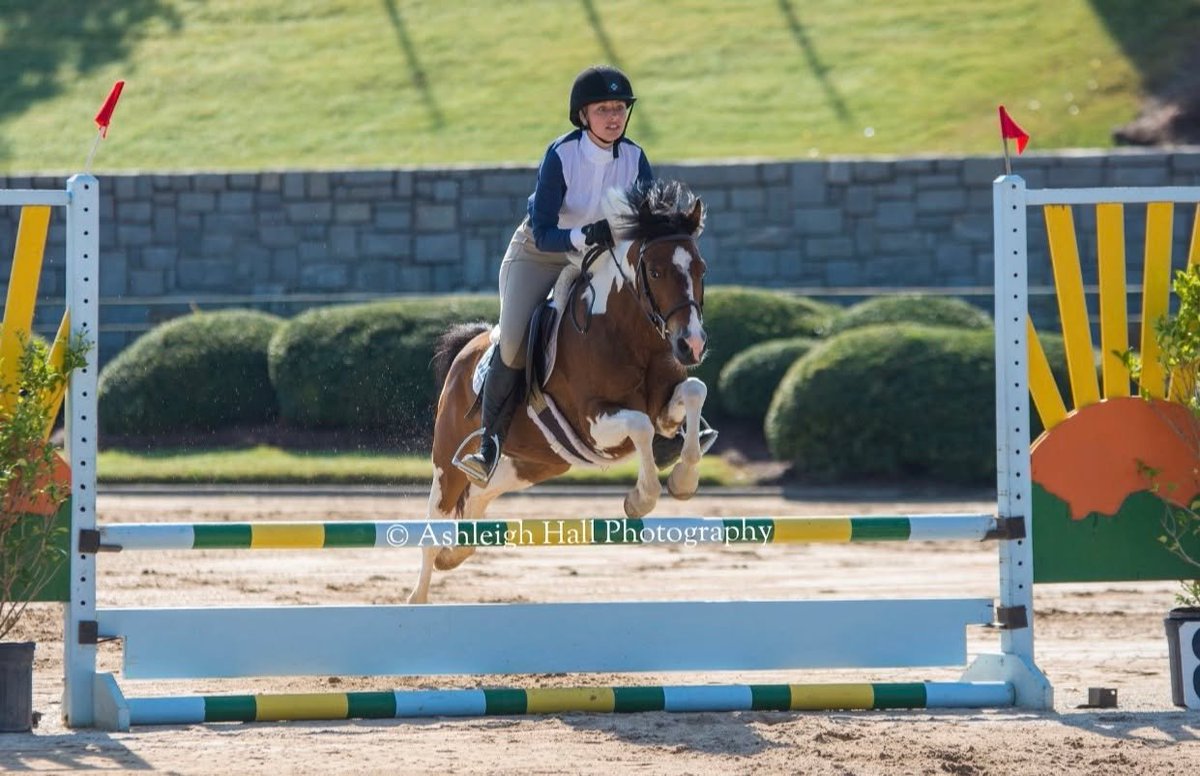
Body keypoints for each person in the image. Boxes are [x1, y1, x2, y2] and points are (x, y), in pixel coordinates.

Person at [456, 64, 715, 487]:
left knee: (646, 311)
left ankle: (675, 423)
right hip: (542, 253)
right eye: (603, 109)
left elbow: (647, 227)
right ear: (583, 115)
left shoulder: (634, 157)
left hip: (601, 255)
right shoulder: (561, 155)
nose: (613, 117)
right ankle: (489, 444)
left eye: (619, 108)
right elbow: (543, 230)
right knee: (514, 341)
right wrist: (584, 234)